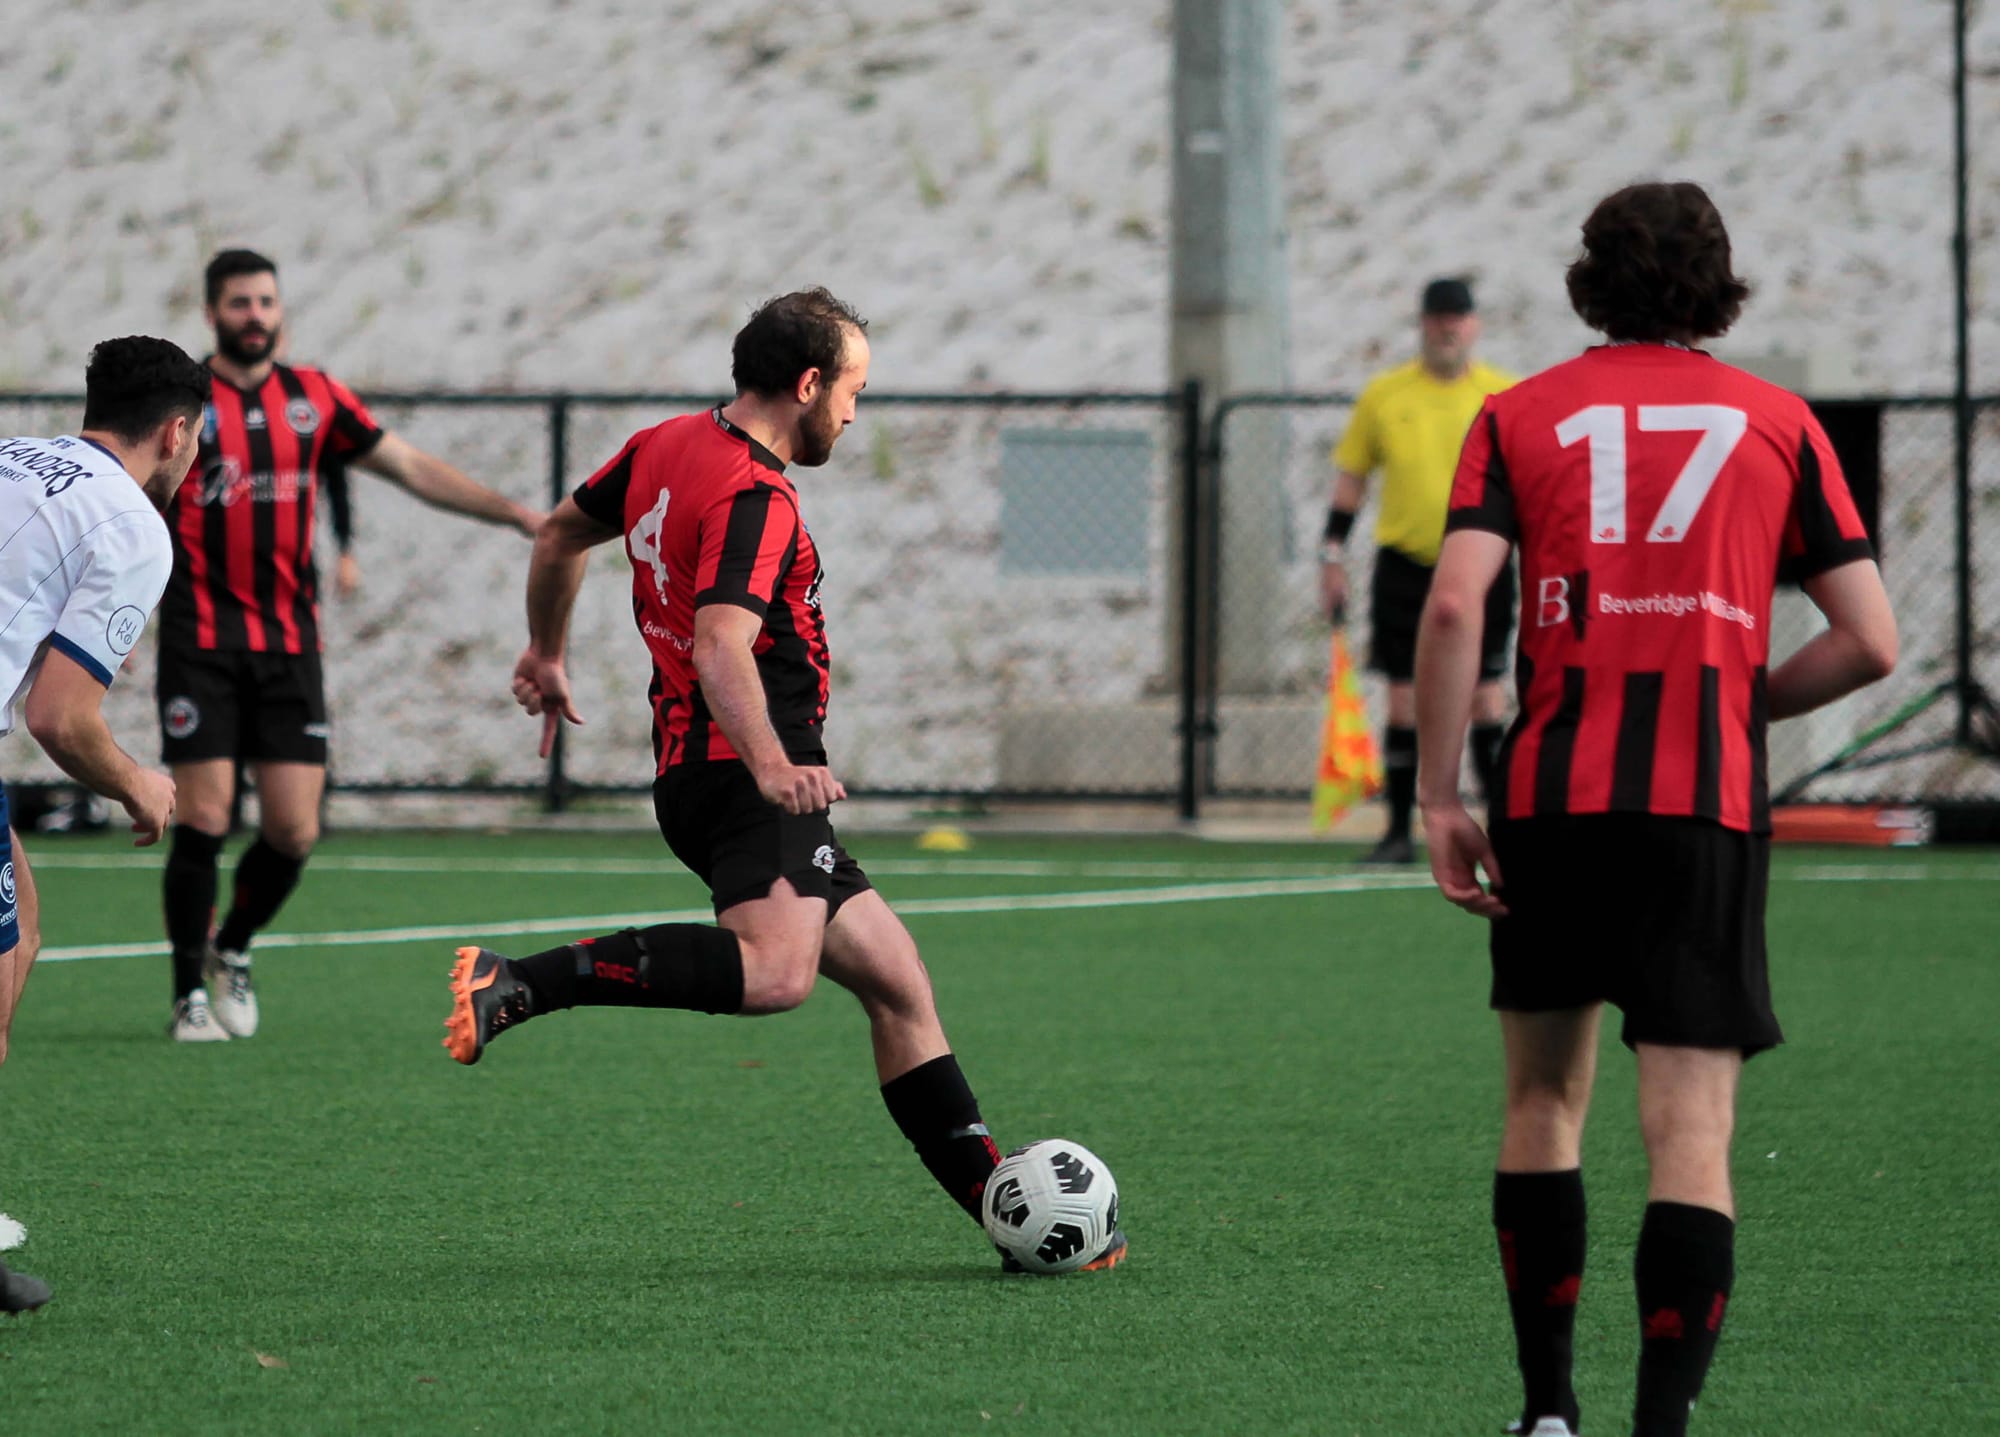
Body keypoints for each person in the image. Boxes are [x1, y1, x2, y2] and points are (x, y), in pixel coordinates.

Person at [442, 288, 1125, 1274]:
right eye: (851, 390)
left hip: (703, 768)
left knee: (897, 986)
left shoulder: (662, 444)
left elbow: (556, 537)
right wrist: (773, 766)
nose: (853, 413)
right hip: (743, 773)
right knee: (775, 975)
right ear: (806, 384)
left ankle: (1001, 1208)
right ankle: (519, 984)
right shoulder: (758, 494)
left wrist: (547, 652)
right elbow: (723, 643)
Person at [1413, 182, 1896, 1437]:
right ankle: (1660, 1430)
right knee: (1689, 1132)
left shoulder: (1514, 414)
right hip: (1704, 805)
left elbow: (1458, 606)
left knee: (1540, 1107)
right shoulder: (1781, 424)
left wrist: (1433, 796)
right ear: (1718, 287)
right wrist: (1739, 701)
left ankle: (1543, 1415)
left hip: (1552, 801)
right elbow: (1868, 644)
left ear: (1587, 282)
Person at [155, 249, 544, 1042]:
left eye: (266, 301)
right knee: (204, 815)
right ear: (211, 314)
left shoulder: (315, 397)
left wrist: (512, 513)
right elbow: (133, 501)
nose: (254, 315)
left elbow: (407, 466)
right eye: (239, 303)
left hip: (291, 646)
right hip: (201, 640)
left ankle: (231, 946)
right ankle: (185, 994)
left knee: (295, 830)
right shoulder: (183, 402)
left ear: (280, 310)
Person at [0, 335, 211, 1311]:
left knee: (22, 932)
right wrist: (138, 782)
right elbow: (59, 715)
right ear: (176, 431)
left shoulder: (10, 456)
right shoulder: (132, 526)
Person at [1323, 277, 1518, 863]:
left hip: (1482, 569)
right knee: (1404, 701)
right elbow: (1353, 476)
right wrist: (1331, 553)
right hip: (1405, 567)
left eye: (1457, 318)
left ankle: (1506, 831)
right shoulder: (1386, 396)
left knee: (1486, 698)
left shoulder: (1503, 397)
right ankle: (1396, 833)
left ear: (1475, 325)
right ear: (1422, 324)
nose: (1447, 329)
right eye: (1437, 318)